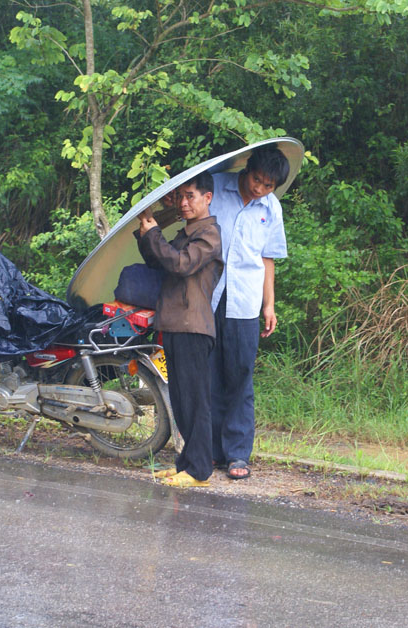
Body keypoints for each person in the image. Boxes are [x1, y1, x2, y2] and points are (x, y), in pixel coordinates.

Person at [136, 172, 223, 488]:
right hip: (173, 322)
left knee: (196, 400)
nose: (184, 203)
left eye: (191, 197)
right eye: (181, 197)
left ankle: (200, 470)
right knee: (181, 399)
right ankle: (185, 463)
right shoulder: (186, 233)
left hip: (193, 326)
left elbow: (180, 264)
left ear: (207, 198)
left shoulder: (209, 235)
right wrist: (151, 225)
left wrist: (156, 232)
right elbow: (156, 259)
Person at [209, 145, 290, 480]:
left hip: (246, 301)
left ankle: (238, 455)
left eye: (268, 185)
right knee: (209, 373)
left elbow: (268, 258)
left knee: (240, 374)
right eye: (257, 180)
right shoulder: (214, 187)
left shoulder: (271, 208)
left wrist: (269, 305)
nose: (259, 189)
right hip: (208, 296)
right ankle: (211, 450)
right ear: (248, 169)